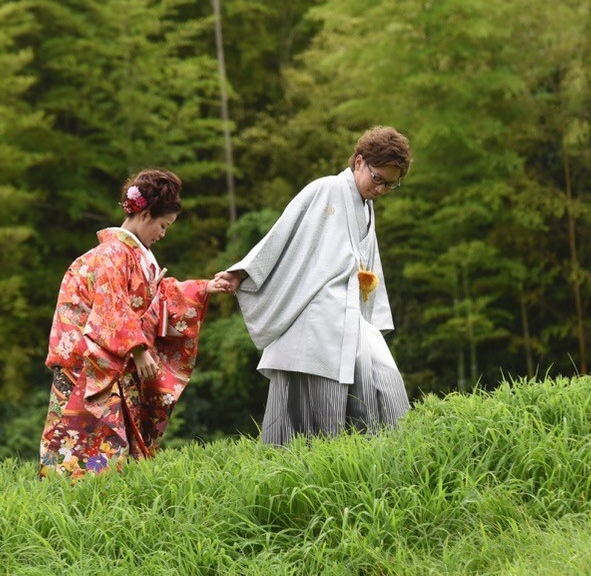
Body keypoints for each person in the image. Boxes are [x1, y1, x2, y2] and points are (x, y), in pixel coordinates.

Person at [214, 126, 413, 444]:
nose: (382, 189)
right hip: (315, 308)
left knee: (384, 379)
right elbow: (282, 234)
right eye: (378, 179)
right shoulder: (325, 189)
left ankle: (380, 455)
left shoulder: (366, 206)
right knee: (321, 396)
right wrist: (242, 274)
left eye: (391, 185)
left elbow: (368, 264)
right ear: (359, 162)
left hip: (347, 311)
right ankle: (316, 467)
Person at [39, 169, 233, 480]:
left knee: (111, 457)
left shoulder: (134, 255)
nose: (163, 233)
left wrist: (204, 288)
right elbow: (110, 307)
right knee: (86, 458)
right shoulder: (113, 253)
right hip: (89, 368)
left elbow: (161, 296)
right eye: (162, 224)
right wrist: (140, 350)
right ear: (144, 213)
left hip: (111, 362)